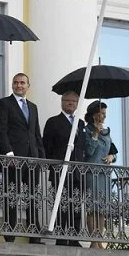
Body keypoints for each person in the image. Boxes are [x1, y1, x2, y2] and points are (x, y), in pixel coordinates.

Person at [0, 73, 45, 244]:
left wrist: (41, 157)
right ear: (12, 85)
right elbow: (1, 130)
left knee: (32, 196)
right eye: (16, 82)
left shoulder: (33, 107)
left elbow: (36, 133)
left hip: (32, 158)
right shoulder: (4, 103)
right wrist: (8, 153)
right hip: (13, 158)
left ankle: (33, 232)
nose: (19, 85)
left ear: (28, 86)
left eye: (22, 83)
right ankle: (10, 233)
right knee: (11, 196)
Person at [43, 91, 86, 246]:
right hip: (60, 171)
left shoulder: (80, 123)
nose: (70, 103)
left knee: (75, 205)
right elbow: (47, 146)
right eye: (67, 100)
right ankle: (61, 237)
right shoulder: (53, 122)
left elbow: (83, 147)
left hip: (77, 172)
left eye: (73, 101)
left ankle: (74, 237)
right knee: (60, 205)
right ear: (62, 102)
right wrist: (53, 166)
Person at [83, 100, 117, 249]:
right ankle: (93, 241)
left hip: (105, 174)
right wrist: (95, 135)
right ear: (93, 115)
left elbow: (114, 151)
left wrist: (112, 157)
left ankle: (99, 240)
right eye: (100, 114)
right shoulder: (87, 130)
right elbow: (89, 151)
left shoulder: (107, 131)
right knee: (93, 208)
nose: (102, 116)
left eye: (104, 114)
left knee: (102, 209)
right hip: (92, 172)